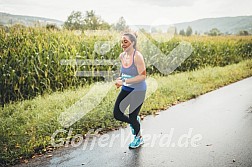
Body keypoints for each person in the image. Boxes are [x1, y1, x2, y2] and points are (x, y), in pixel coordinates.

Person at [113, 32, 147, 149]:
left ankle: (139, 138)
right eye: (122, 42)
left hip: (138, 90)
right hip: (126, 89)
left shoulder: (137, 56)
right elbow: (124, 73)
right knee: (117, 114)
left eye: (125, 41)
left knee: (132, 116)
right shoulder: (122, 56)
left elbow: (142, 76)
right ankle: (134, 122)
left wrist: (123, 82)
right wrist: (120, 79)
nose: (123, 44)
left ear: (132, 43)